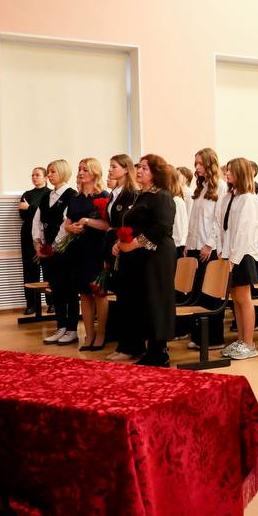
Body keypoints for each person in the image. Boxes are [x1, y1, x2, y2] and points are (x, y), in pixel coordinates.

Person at [115, 154, 178, 367]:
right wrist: (121, 242)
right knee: (144, 300)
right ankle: (150, 350)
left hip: (158, 255)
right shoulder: (141, 195)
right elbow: (134, 225)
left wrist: (134, 244)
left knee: (156, 300)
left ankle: (159, 352)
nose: (139, 171)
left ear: (155, 173)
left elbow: (162, 228)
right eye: (139, 167)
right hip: (141, 256)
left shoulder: (162, 196)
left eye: (145, 168)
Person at [218, 158, 258, 361]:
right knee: (235, 298)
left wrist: (234, 258)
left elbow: (245, 231)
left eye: (231, 171)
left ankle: (249, 343)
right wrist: (223, 252)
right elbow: (223, 227)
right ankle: (240, 340)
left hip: (243, 255)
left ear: (240, 173)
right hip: (230, 254)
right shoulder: (230, 196)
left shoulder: (249, 199)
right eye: (226, 170)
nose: (227, 174)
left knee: (244, 299)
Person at [63, 158, 110, 350]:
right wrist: (71, 228)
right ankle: (89, 334)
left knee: (99, 292)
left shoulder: (103, 195)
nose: (81, 172)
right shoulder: (75, 198)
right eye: (79, 169)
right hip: (78, 249)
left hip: (97, 249)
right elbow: (67, 223)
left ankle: (102, 334)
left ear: (95, 173)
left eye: (85, 170)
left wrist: (87, 222)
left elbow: (107, 225)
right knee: (83, 293)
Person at [103, 154, 141, 362]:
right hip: (114, 245)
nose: (110, 170)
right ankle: (123, 344)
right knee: (121, 298)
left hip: (126, 248)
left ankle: (131, 345)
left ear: (126, 169)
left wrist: (121, 241)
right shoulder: (115, 193)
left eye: (114, 166)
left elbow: (131, 224)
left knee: (128, 299)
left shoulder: (131, 193)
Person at [34, 159, 77, 345]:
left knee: (69, 290)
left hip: (64, 250)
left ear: (63, 172)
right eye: (48, 172)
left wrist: (55, 245)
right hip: (48, 251)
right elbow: (37, 221)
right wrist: (39, 243)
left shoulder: (71, 195)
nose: (49, 175)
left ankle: (72, 329)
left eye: (52, 172)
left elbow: (66, 224)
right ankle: (61, 326)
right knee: (56, 289)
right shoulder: (46, 196)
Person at [183, 148, 223, 317]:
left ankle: (213, 331)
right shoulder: (200, 187)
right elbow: (193, 220)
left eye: (201, 163)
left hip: (208, 247)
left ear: (210, 164)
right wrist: (188, 243)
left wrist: (209, 244)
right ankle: (199, 330)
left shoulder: (221, 187)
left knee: (210, 293)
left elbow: (218, 219)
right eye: (196, 164)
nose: (197, 167)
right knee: (197, 292)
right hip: (195, 244)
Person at [18, 166, 48, 315]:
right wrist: (33, 209)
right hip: (28, 236)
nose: (34, 177)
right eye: (32, 175)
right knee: (30, 270)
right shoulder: (27, 194)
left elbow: (46, 214)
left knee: (49, 270)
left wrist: (30, 207)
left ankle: (52, 303)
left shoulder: (50, 194)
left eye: (37, 175)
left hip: (46, 235)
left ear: (45, 177)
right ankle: (32, 305)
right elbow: (22, 215)